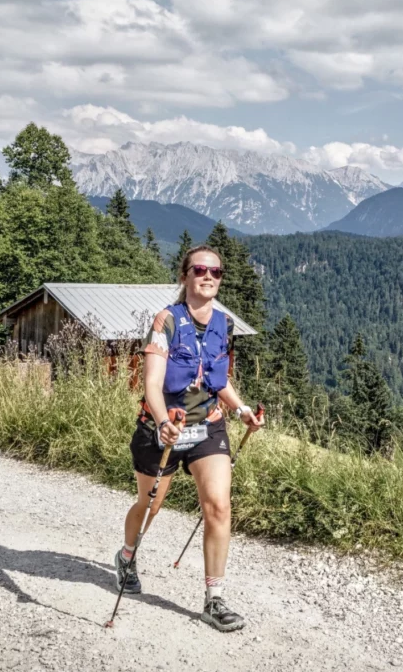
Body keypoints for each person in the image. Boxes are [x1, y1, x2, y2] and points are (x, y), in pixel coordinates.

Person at [115, 245, 264, 632]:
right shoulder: (166, 321)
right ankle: (127, 555)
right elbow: (151, 382)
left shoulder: (223, 324)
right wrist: (164, 421)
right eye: (200, 270)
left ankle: (214, 599)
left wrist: (241, 409)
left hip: (208, 426)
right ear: (185, 275)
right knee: (150, 507)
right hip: (162, 429)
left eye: (216, 272)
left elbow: (219, 379)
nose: (209, 277)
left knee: (218, 505)